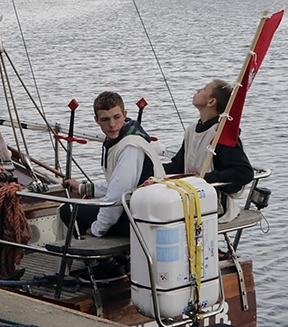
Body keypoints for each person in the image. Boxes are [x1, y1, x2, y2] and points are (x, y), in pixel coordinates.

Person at [63, 91, 165, 237]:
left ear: (124, 114)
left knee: (68, 211)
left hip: (143, 220)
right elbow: (117, 184)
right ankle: (112, 258)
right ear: (96, 120)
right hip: (142, 212)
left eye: (117, 117)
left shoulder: (130, 146)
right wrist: (83, 188)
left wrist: (97, 230)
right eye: (105, 119)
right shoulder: (121, 141)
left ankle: (105, 258)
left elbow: (116, 197)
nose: (112, 125)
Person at [163, 79, 254, 221]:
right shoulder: (191, 130)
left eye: (204, 89)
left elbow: (244, 172)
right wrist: (150, 168)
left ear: (211, 102)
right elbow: (178, 166)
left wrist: (204, 179)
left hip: (214, 205)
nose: (198, 90)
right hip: (190, 196)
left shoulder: (220, 134)